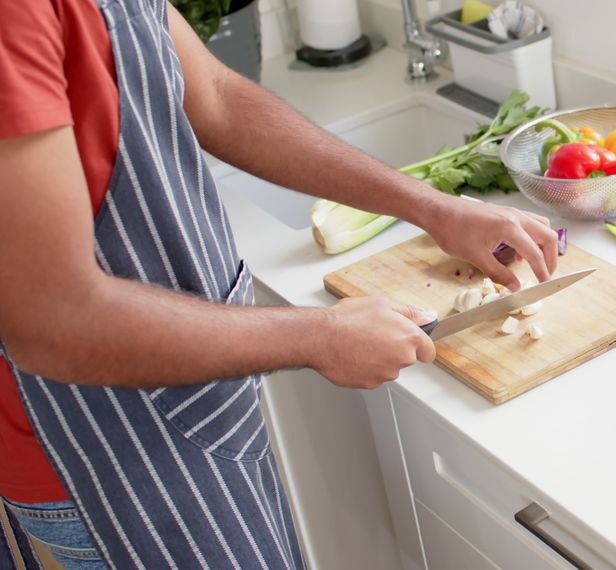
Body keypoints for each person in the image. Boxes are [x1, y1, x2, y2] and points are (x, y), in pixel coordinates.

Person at [0, 0, 559, 567]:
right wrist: (318, 336)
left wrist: (432, 208)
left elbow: (213, 93)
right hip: (102, 460)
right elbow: (53, 320)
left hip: (196, 406)